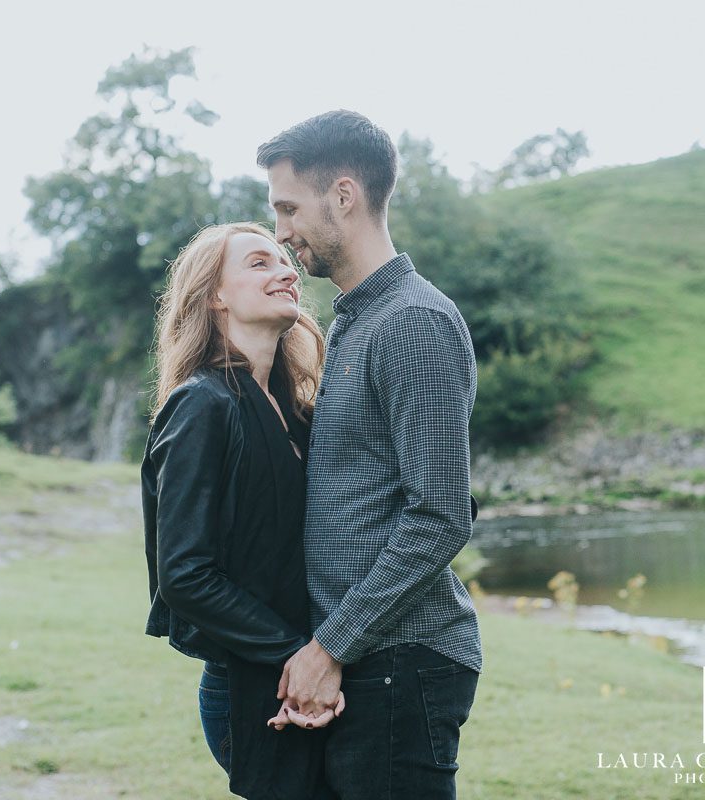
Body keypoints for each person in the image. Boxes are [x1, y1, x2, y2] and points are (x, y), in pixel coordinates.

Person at [257, 110, 483, 799]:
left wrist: (331, 648)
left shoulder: (413, 322)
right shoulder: (356, 319)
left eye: (289, 208)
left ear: (345, 196)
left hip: (401, 660)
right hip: (367, 656)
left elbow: (441, 516)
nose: (282, 232)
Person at [141, 221, 340, 799]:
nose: (287, 271)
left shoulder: (295, 410)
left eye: (286, 261)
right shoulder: (201, 405)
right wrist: (302, 661)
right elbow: (185, 574)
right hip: (253, 689)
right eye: (259, 262)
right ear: (215, 295)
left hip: (304, 676)